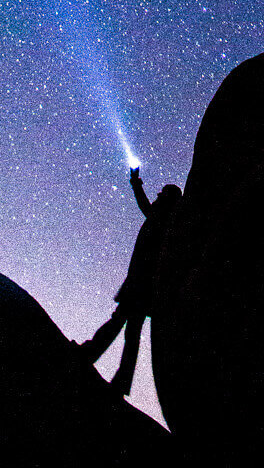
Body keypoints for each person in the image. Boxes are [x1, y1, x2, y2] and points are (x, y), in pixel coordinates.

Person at [80, 166, 183, 396]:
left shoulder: (161, 221)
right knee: (129, 331)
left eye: (162, 193)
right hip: (142, 287)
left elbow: (144, 204)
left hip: (141, 287)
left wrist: (136, 183)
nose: (158, 196)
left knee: (121, 325)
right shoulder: (164, 221)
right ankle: (120, 379)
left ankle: (93, 356)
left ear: (168, 199)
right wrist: (136, 182)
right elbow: (144, 203)